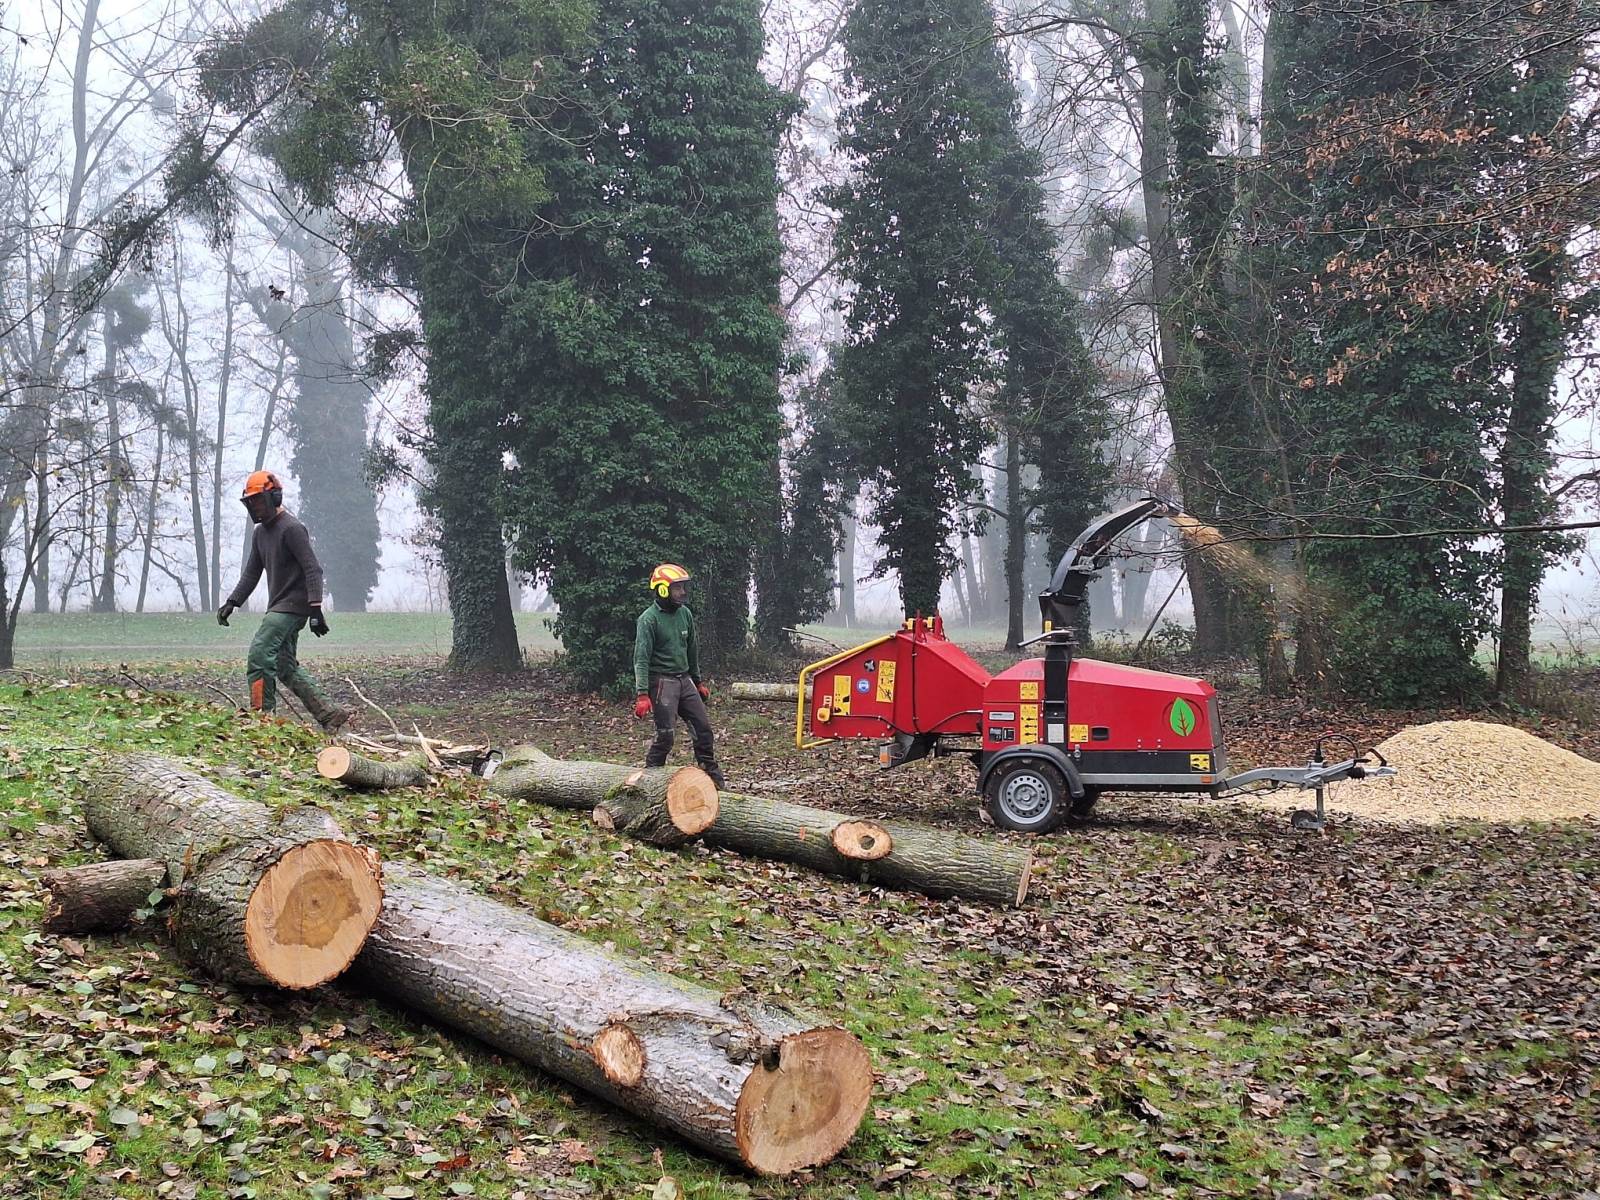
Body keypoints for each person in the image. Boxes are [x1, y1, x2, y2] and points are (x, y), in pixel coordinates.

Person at [217, 470, 351, 733]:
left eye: (258, 500)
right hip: (279, 606)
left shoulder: (292, 528)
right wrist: (233, 601)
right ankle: (329, 713)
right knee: (283, 665)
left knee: (258, 655)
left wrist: (315, 609)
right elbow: (252, 573)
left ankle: (262, 720)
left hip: (293, 606)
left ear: (274, 497)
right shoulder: (259, 534)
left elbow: (313, 569)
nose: (255, 506)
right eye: (251, 502)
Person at [632, 563, 725, 788]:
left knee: (703, 729)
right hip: (662, 681)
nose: (682, 592)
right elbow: (641, 658)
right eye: (677, 589)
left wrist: (698, 680)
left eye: (684, 587)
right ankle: (649, 783)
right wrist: (642, 693)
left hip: (684, 680)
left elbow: (691, 649)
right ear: (662, 590)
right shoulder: (648, 619)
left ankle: (713, 780)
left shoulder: (685, 614)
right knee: (666, 735)